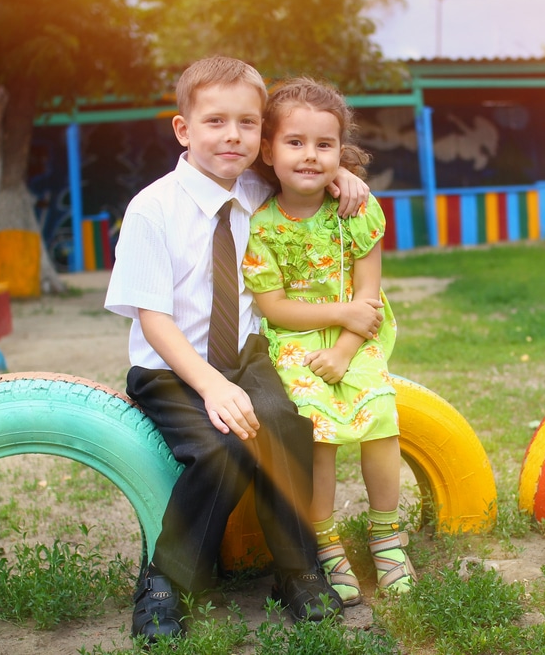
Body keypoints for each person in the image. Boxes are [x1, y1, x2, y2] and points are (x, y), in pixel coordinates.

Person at [105, 56, 373, 644]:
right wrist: (210, 385)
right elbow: (153, 320)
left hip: (248, 355)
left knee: (285, 420)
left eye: (248, 124)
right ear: (183, 129)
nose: (233, 137)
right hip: (172, 366)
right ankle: (165, 583)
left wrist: (346, 177)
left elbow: (314, 167)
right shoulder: (153, 209)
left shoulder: (261, 187)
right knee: (222, 449)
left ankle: (297, 572)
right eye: (216, 122)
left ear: (263, 134)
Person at [243, 77, 415, 608]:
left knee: (380, 415)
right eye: (295, 143)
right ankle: (328, 545)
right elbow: (273, 307)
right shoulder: (261, 226)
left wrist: (342, 350)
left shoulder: (356, 212)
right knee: (316, 431)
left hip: (354, 336)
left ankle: (387, 537)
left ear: (342, 151)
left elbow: (368, 295)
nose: (311, 156)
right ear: (269, 150)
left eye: (325, 145)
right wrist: (336, 319)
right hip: (293, 339)